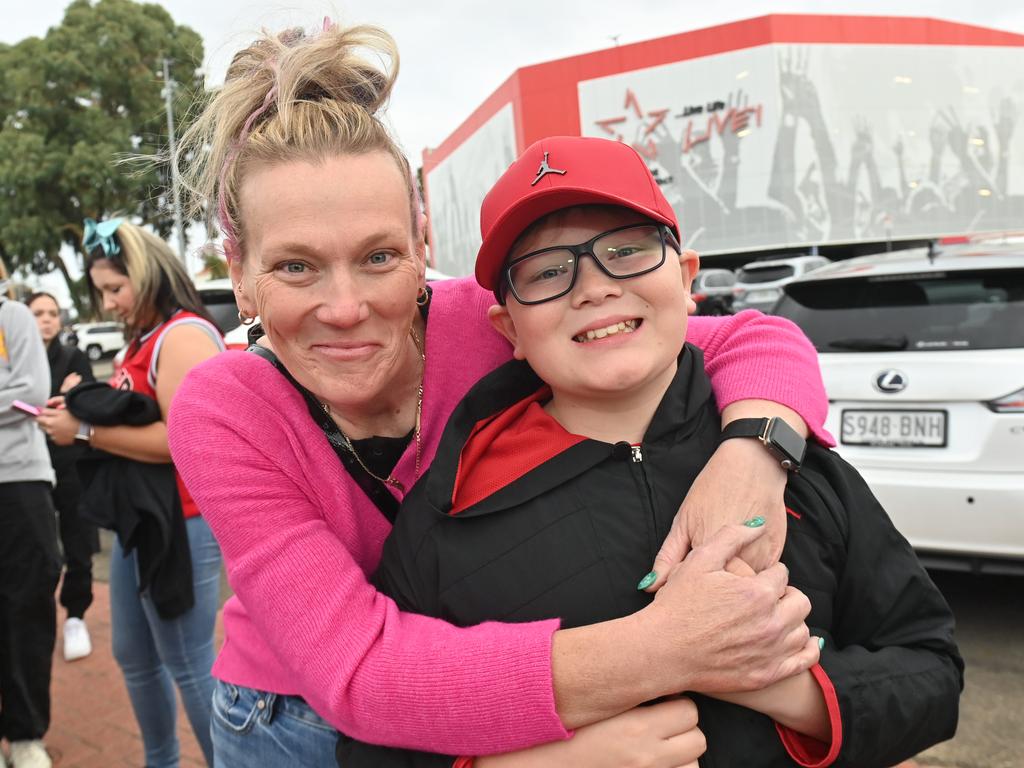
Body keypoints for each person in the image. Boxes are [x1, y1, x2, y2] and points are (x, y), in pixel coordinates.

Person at [167, 21, 831, 767]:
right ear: (238, 268)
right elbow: (357, 670)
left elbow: (752, 340)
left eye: (379, 256)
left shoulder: (497, 326)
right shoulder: (225, 409)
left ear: (422, 246)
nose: (346, 307)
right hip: (294, 723)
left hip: (544, 693)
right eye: (295, 267)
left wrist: (754, 455)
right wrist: (669, 648)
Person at [339, 135, 964, 767]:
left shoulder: (794, 464)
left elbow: (932, 671)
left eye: (627, 250)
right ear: (509, 329)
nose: (595, 287)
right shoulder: (452, 508)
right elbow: (373, 752)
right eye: (549, 271)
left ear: (687, 278)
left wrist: (786, 684)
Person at [36, 219, 225, 768]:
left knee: (187, 661)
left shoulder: (184, 335)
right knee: (134, 656)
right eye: (101, 291)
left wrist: (86, 430)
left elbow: (179, 441)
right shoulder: (142, 340)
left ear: (146, 277)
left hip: (183, 522)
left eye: (115, 288)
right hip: (139, 520)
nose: (108, 303)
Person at [0, 263, 60, 768]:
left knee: (26, 607)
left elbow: (30, 397)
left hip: (18, 480)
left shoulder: (12, 316)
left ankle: (25, 734)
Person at [26, 291, 99, 662]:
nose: (47, 320)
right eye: (38, 313)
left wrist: (73, 397)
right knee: (36, 551)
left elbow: (90, 408)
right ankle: (35, 621)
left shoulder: (73, 356)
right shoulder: (16, 361)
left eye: (53, 313)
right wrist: (62, 396)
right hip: (27, 467)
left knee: (78, 541)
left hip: (71, 462)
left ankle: (75, 616)